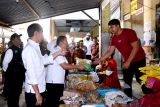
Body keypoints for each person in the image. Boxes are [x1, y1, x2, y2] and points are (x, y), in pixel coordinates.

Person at [94, 19, 152, 98]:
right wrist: (100, 59)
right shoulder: (114, 38)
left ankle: (152, 96)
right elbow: (110, 51)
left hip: (139, 60)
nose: (111, 29)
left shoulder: (129, 32)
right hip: (127, 61)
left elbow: (136, 47)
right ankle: (128, 100)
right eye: (110, 28)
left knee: (140, 79)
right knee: (127, 81)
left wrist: (128, 61)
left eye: (112, 27)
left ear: (118, 26)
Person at [22, 23, 66, 107]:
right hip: (34, 91)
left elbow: (44, 60)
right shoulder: (29, 49)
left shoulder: (35, 47)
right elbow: (31, 74)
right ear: (36, 33)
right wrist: (37, 94)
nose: (42, 35)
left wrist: (59, 53)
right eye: (42, 33)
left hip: (40, 88)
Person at [46, 36, 85, 107]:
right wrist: (77, 66)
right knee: (53, 102)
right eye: (66, 41)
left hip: (56, 81)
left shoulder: (60, 51)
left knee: (57, 101)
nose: (67, 44)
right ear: (61, 42)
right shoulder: (57, 50)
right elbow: (64, 66)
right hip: (54, 82)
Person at [2, 33, 25, 107]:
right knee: (12, 97)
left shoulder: (20, 49)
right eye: (18, 39)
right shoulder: (10, 50)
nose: (20, 40)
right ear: (13, 40)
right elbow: (5, 63)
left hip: (18, 78)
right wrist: (8, 72)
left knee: (16, 96)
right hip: (12, 79)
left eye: (20, 38)